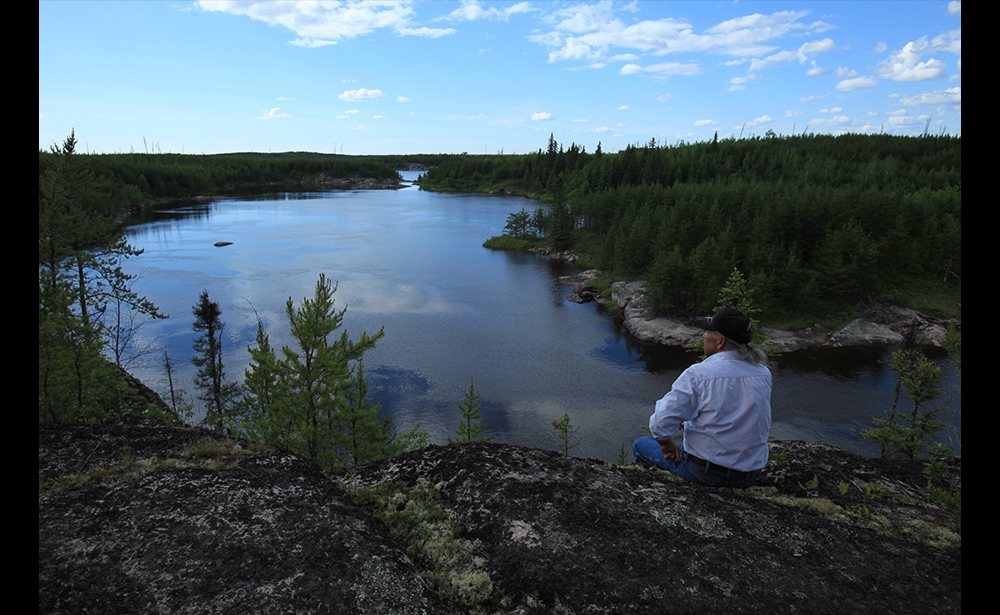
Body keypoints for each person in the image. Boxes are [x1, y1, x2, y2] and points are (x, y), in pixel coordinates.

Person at [632, 307, 772, 488]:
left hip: (706, 473)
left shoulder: (699, 374)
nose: (704, 336)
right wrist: (689, 419)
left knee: (640, 445)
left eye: (708, 332)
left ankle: (651, 486)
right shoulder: (763, 373)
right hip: (749, 474)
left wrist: (666, 443)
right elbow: (731, 410)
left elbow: (660, 422)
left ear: (720, 341)